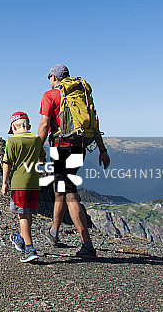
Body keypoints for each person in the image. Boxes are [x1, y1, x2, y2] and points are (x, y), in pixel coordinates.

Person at [38, 64, 110, 259]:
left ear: (54, 77)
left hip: (61, 149)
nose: (49, 80)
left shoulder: (50, 96)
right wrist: (102, 150)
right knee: (60, 189)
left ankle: (88, 245)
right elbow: (93, 124)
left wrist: (38, 149)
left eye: (49, 77)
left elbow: (44, 125)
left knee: (70, 193)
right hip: (79, 147)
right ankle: (54, 232)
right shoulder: (80, 94)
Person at [1, 111, 44, 263]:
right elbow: (41, 160)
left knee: (22, 216)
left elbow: (7, 162)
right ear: (29, 126)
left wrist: (4, 183)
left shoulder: (12, 141)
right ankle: (21, 239)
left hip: (19, 183)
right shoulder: (37, 139)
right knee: (28, 213)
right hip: (34, 183)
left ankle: (30, 249)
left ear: (13, 127)